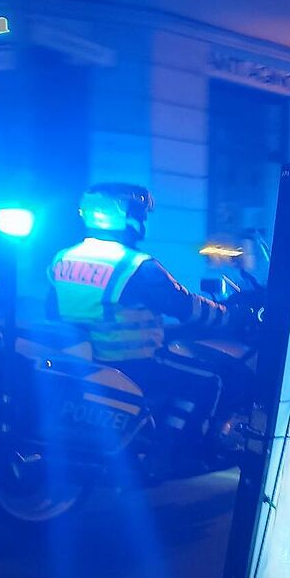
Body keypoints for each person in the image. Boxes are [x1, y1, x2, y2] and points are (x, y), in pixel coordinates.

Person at [48, 183, 238, 446]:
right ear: (121, 215)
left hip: (88, 359)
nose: (143, 220)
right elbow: (184, 306)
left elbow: (53, 308)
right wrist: (232, 317)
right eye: (139, 213)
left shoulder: (63, 259)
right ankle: (175, 448)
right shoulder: (136, 266)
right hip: (132, 360)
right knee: (208, 381)